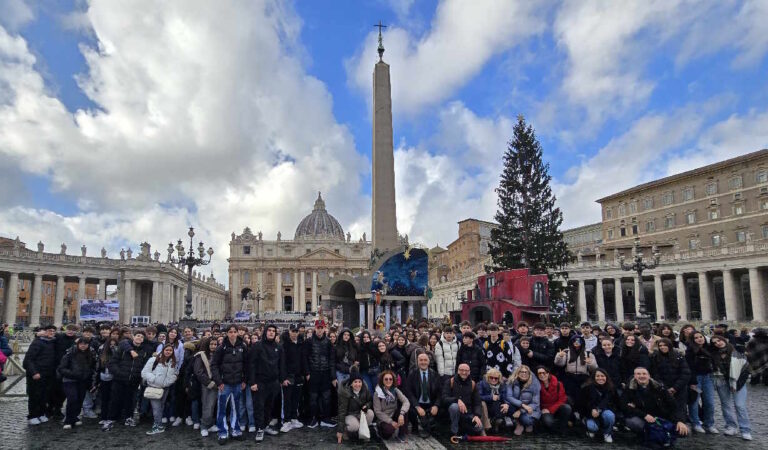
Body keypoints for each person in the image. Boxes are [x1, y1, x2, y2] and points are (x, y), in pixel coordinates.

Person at [621, 367, 689, 438]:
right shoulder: (629, 389)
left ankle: (661, 434)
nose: (641, 376)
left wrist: (679, 421)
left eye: (644, 374)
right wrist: (644, 415)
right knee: (633, 422)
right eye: (638, 374)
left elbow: (673, 405)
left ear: (649, 376)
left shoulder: (660, 388)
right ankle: (647, 435)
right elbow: (624, 406)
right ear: (634, 376)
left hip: (662, 418)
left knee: (686, 431)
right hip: (643, 418)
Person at [103, 330, 148, 431]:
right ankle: (110, 419)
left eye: (141, 337)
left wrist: (138, 377)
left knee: (130, 401)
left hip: (133, 380)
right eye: (138, 336)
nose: (139, 338)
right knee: (115, 400)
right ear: (133, 336)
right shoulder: (123, 348)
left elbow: (144, 366)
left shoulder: (143, 352)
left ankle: (129, 418)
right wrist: (119, 373)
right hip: (119, 379)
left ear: (143, 340)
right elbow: (112, 363)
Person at [247, 324, 285, 442]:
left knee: (269, 406)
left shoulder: (278, 347)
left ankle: (266, 425)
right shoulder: (257, 346)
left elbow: (281, 365)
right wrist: (252, 382)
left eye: (273, 331)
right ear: (265, 332)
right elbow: (251, 365)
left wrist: (281, 380)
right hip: (260, 382)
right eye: (269, 330)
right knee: (259, 406)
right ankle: (259, 428)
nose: (271, 333)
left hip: (273, 382)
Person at [710, 335, 752, 440]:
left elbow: (746, 369)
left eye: (719, 340)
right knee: (726, 405)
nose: (717, 343)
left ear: (724, 340)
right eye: (714, 343)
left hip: (738, 381)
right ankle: (731, 426)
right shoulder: (713, 354)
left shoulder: (737, 351)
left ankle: (745, 430)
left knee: (740, 405)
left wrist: (737, 384)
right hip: (721, 381)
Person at [211, 325, 248, 444]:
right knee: (222, 409)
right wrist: (219, 381)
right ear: (227, 333)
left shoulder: (243, 346)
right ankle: (222, 432)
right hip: (224, 384)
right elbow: (214, 365)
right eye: (230, 332)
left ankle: (235, 430)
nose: (232, 334)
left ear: (237, 333)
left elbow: (247, 365)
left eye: (234, 332)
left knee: (236, 408)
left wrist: (244, 380)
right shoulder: (221, 348)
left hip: (237, 383)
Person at [57, 337, 97, 430]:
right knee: (72, 399)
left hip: (82, 381)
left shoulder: (90, 355)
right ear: (78, 344)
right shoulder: (70, 353)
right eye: (81, 344)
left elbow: (92, 368)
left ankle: (74, 417)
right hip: (69, 380)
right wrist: (73, 374)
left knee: (80, 399)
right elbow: (62, 368)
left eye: (85, 344)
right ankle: (68, 420)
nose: (83, 346)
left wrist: (89, 379)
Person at [649, 337, 691, 423]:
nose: (662, 347)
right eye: (660, 345)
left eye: (665, 345)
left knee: (680, 408)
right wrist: (664, 387)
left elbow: (685, 373)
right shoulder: (655, 357)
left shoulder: (679, 356)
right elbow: (655, 374)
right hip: (663, 388)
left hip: (679, 388)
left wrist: (675, 388)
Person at [304, 320, 336, 429]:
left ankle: (325, 418)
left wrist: (333, 376)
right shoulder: (308, 341)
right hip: (313, 373)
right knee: (313, 397)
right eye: (318, 327)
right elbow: (305, 358)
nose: (320, 329)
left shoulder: (328, 342)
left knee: (326, 397)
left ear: (325, 328)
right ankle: (313, 418)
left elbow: (332, 360)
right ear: (315, 328)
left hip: (325, 373)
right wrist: (307, 372)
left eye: (322, 328)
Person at [23, 324, 57, 425]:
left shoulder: (52, 342)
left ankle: (41, 413)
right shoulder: (37, 343)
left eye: (53, 331)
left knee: (45, 395)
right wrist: (34, 372)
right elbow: (28, 360)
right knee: (34, 395)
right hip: (37, 374)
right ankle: (32, 415)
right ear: (44, 332)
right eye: (49, 331)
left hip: (48, 374)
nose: (52, 333)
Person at [685, 331, 717, 434]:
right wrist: (692, 381)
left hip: (708, 377)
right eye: (696, 338)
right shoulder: (690, 351)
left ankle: (709, 424)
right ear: (692, 340)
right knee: (694, 402)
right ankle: (696, 423)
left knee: (710, 402)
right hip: (696, 378)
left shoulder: (709, 348)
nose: (699, 339)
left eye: (701, 336)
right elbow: (690, 366)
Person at [142, 344, 178, 435]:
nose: (168, 352)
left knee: (161, 407)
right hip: (154, 387)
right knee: (156, 408)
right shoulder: (153, 360)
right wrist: (154, 380)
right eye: (167, 350)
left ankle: (159, 425)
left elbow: (174, 374)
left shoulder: (173, 362)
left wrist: (167, 382)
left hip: (165, 388)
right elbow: (145, 372)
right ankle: (157, 425)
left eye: (170, 350)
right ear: (163, 350)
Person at [404, 352, 441, 437]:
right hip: (418, 402)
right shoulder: (412, 373)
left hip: (430, 403)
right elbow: (409, 392)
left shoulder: (435, 374)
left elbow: (439, 392)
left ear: (428, 362)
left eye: (425, 360)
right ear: (417, 362)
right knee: (410, 409)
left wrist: (436, 405)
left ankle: (432, 425)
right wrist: (417, 406)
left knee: (442, 409)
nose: (423, 362)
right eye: (421, 360)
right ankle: (415, 426)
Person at [442, 363, 483, 436]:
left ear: (469, 372)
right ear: (458, 371)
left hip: (468, 413)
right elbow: (444, 398)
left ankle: (462, 429)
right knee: (454, 407)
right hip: (452, 413)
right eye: (461, 370)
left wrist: (477, 415)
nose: (464, 372)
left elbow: (477, 402)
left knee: (479, 428)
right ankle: (454, 432)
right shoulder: (450, 381)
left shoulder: (473, 384)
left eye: (466, 370)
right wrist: (457, 400)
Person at [580, 368, 619, 443]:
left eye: (602, 376)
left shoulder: (611, 388)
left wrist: (599, 410)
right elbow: (581, 404)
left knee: (610, 416)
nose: (600, 378)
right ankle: (589, 428)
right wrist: (591, 410)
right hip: (590, 413)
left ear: (606, 377)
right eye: (597, 376)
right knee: (593, 427)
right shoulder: (587, 388)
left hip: (605, 411)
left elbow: (616, 404)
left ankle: (607, 433)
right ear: (594, 377)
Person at [280, 324, 306, 432]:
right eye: (293, 331)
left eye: (296, 331)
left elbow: (303, 359)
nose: (295, 333)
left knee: (296, 399)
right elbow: (282, 363)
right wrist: (283, 378)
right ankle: (286, 421)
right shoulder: (284, 345)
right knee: (287, 399)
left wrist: (305, 372)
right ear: (289, 331)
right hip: (288, 375)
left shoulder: (301, 343)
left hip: (298, 375)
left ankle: (294, 418)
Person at [336, 371, 374, 443]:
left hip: (360, 413)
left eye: (359, 382)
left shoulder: (365, 389)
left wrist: (367, 406)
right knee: (354, 426)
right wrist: (339, 431)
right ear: (351, 383)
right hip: (350, 414)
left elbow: (370, 401)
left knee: (370, 413)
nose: (358, 384)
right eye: (355, 382)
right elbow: (342, 411)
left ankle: (363, 431)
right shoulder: (345, 392)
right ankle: (345, 430)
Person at [373, 369, 410, 440]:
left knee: (405, 411)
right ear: (382, 381)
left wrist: (401, 414)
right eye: (386, 379)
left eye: (390, 379)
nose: (388, 381)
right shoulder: (377, 393)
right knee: (388, 433)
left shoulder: (395, 390)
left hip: (394, 414)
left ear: (393, 380)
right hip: (383, 418)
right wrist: (391, 422)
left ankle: (402, 433)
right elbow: (378, 412)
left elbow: (406, 401)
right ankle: (379, 430)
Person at [193, 337, 219, 437]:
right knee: (207, 406)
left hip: (218, 383)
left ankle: (210, 424)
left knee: (214, 406)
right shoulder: (201, 355)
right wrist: (210, 383)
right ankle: (204, 426)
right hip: (207, 384)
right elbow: (198, 372)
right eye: (211, 344)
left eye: (215, 344)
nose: (213, 346)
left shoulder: (218, 355)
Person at [505, 364, 540, 435]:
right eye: (521, 372)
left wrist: (521, 411)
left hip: (530, 408)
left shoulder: (534, 384)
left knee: (527, 421)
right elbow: (509, 396)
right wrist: (522, 405)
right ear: (517, 373)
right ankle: (518, 424)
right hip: (517, 406)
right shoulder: (511, 381)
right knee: (508, 407)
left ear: (529, 373)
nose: (524, 374)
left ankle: (528, 424)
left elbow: (535, 403)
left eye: (526, 372)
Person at [536, 366, 571, 435]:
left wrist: (550, 410)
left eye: (544, 373)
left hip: (557, 407)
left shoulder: (558, 384)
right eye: (539, 373)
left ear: (548, 373)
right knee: (548, 422)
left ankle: (562, 428)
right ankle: (553, 428)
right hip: (544, 409)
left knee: (567, 408)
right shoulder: (536, 385)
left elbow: (562, 399)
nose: (542, 375)